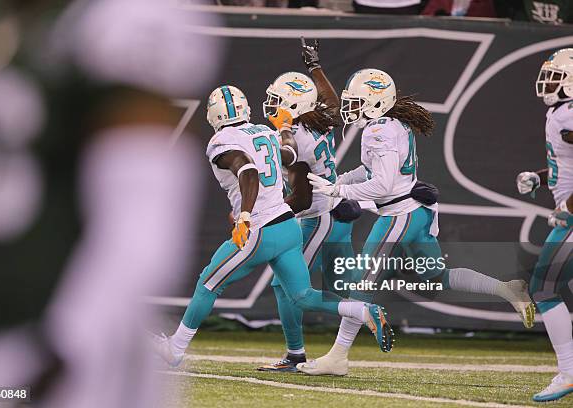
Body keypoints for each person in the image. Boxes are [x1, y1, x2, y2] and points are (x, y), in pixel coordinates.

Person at [0, 0, 220, 407]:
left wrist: (67, 345)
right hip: (8, 340)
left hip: (85, 348)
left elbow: (144, 225)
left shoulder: (122, 17)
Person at [298, 68, 535, 376]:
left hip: (399, 214)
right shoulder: (392, 123)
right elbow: (373, 170)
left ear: (376, 102)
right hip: (416, 212)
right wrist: (343, 179)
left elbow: (382, 186)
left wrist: (339, 190)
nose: (350, 108)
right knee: (436, 276)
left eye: (356, 101)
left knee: (360, 281)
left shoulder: (377, 130)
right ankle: (507, 290)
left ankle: (338, 356)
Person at [151, 85, 395, 367]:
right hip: (288, 226)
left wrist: (244, 214)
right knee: (303, 295)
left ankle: (176, 348)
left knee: (208, 282)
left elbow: (247, 170)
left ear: (214, 115)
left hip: (259, 229)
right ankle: (364, 311)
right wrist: (285, 128)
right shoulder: (264, 131)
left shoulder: (221, 140)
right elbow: (289, 156)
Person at [257, 39, 362, 372]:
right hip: (334, 212)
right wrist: (314, 66)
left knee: (284, 285)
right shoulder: (318, 121)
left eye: (278, 101)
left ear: (293, 105)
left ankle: (296, 354)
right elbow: (330, 100)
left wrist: (270, 213)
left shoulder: (297, 139)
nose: (272, 106)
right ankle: (346, 340)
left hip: (319, 215)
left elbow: (301, 198)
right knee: (343, 287)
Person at [516, 48, 573, 403]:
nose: (547, 83)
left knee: (543, 287)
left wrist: (568, 206)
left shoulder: (567, 113)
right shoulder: (561, 112)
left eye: (555, 76)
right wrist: (542, 177)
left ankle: (568, 371)